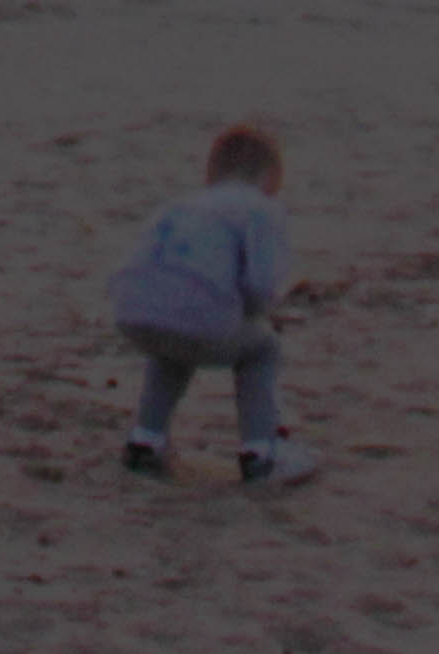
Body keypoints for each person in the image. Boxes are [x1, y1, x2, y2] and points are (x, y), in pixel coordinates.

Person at [109, 123, 315, 486]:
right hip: (196, 318)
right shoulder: (260, 209)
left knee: (171, 347)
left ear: (211, 174)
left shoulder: (179, 206)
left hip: (133, 312)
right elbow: (261, 284)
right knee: (262, 349)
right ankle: (261, 453)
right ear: (270, 179)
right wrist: (256, 312)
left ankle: (145, 440)